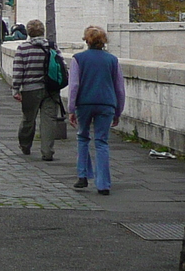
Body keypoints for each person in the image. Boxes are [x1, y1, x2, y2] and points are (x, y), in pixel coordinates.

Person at [69, 25, 126, 195]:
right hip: (106, 103)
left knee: (83, 137)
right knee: (102, 142)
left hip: (85, 103)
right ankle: (103, 184)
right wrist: (118, 111)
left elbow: (74, 86)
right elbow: (119, 88)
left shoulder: (78, 59)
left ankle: (83, 175)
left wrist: (71, 108)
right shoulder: (112, 60)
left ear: (87, 40)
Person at [10, 18, 58, 161]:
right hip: (51, 89)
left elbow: (18, 70)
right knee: (49, 120)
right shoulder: (51, 46)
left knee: (28, 119)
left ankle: (25, 145)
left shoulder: (23, 48)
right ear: (43, 31)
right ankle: (47, 151)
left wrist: (16, 89)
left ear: (29, 32)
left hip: (30, 89)